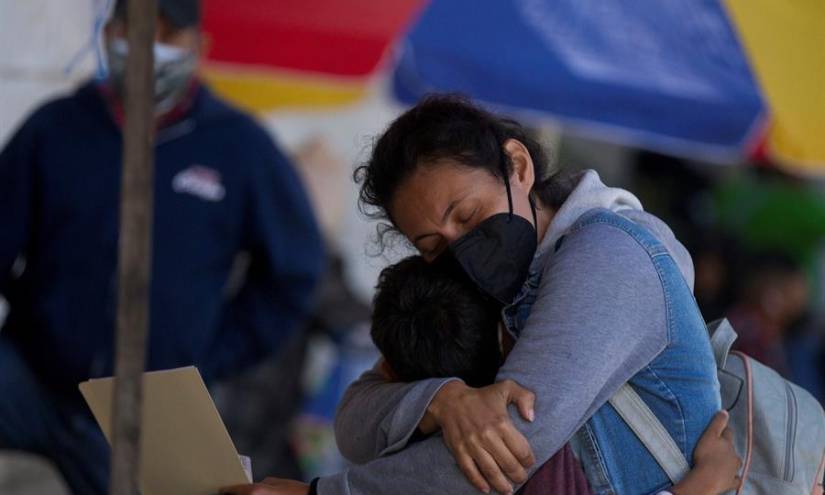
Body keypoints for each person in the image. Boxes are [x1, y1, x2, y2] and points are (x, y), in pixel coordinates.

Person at [0, 1, 324, 494]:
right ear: (109, 34)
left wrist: (209, 353)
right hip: (30, 378)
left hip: (150, 411)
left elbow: (294, 273)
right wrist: (38, 315)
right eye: (136, 29)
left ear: (200, 47)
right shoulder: (53, 128)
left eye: (168, 33)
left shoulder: (241, 147)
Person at [222, 253, 740, 495]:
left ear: (387, 369)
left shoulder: (485, 463)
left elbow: (357, 424)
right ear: (508, 332)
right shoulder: (551, 429)